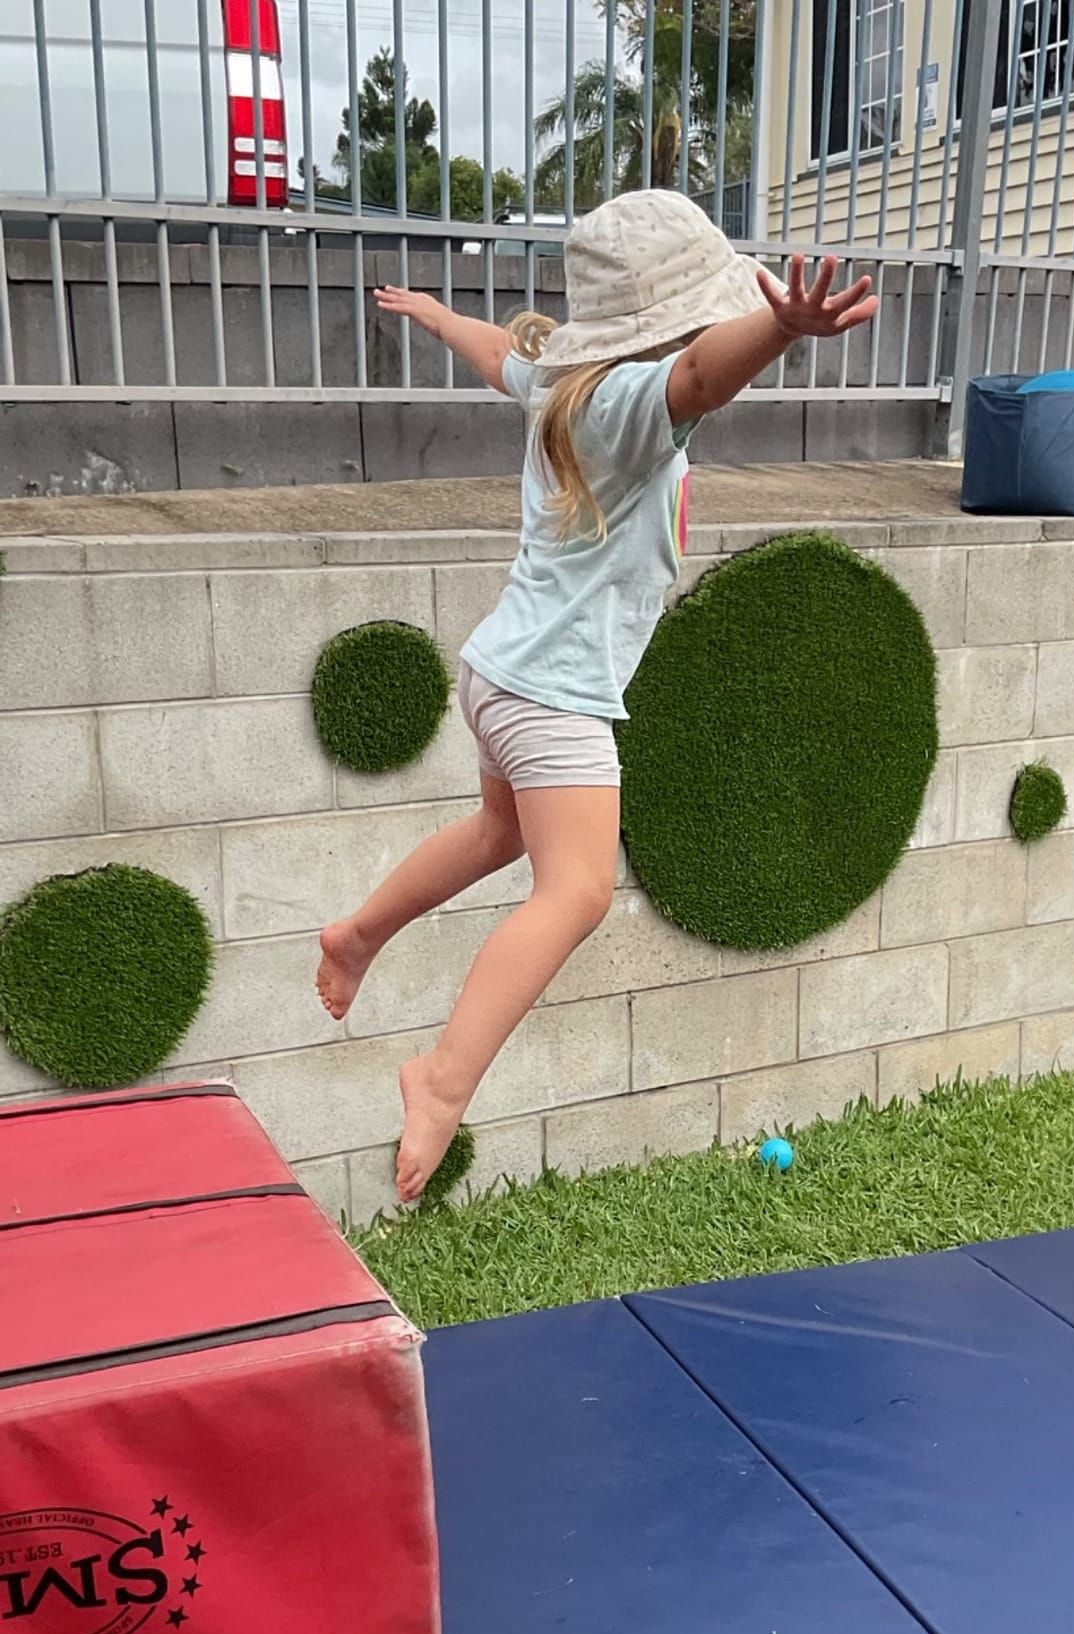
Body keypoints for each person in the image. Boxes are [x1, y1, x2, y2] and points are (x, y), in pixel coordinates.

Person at [314, 190, 877, 1202]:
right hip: (554, 693)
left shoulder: (561, 382)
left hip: (501, 674)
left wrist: (439, 316)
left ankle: (357, 934)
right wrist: (784, 330)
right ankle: (439, 1083)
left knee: (497, 836)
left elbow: (500, 354)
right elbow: (704, 373)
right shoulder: (627, 406)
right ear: (674, 327)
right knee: (571, 893)